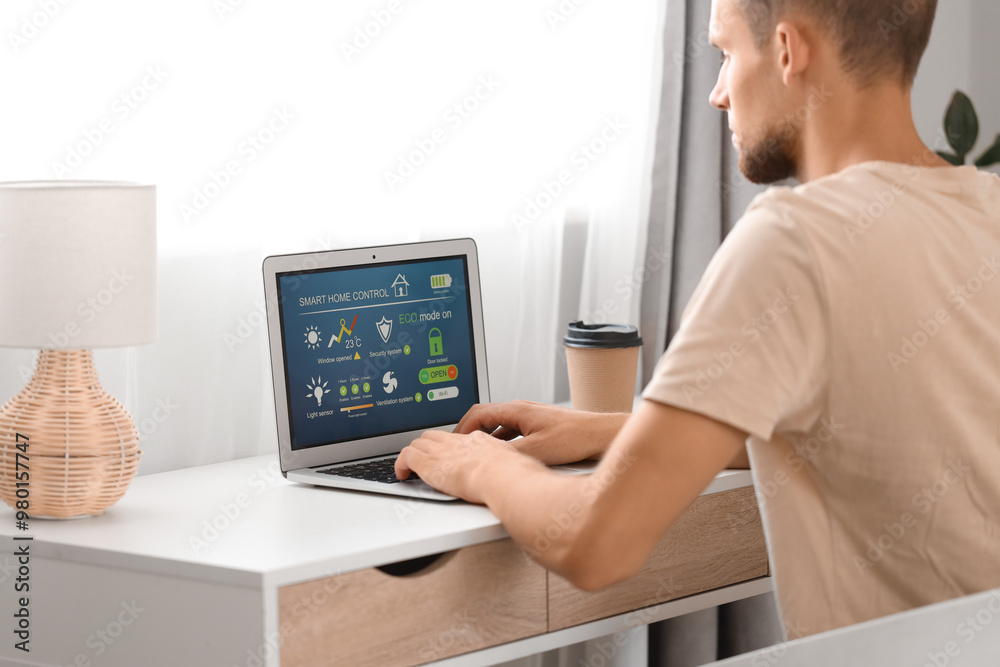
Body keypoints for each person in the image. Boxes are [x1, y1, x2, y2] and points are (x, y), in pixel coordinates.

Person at [396, 0, 1000, 639]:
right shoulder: (985, 211)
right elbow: (867, 430)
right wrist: (610, 430)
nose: (716, 94)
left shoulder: (792, 241)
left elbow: (598, 543)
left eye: (726, 53)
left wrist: (485, 468)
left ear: (789, 51)